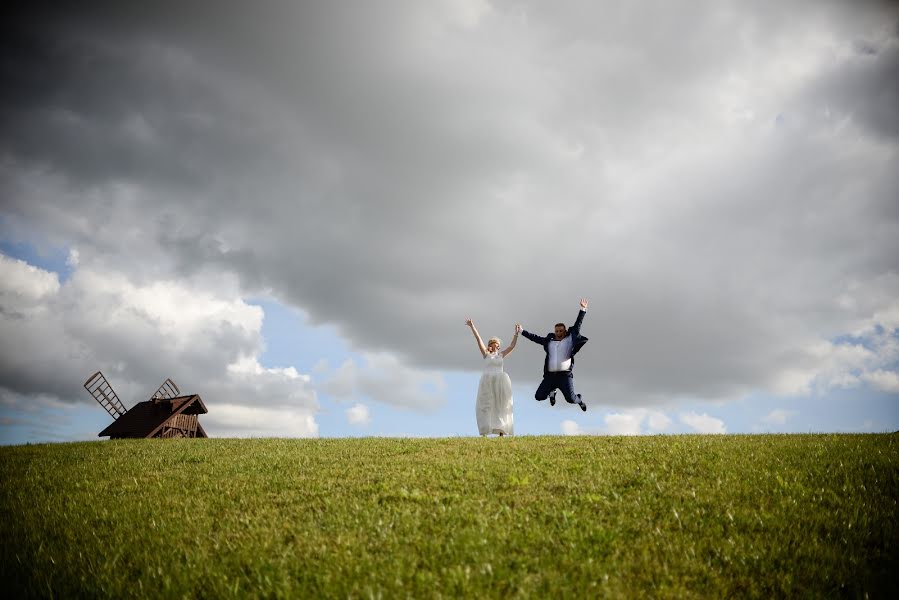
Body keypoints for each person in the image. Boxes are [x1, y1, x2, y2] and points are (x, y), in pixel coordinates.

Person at [521, 298, 589, 411]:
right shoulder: (549, 342)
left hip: (564, 376)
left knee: (571, 399)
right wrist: (522, 331)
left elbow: (578, 325)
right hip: (550, 376)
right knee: (539, 396)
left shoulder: (569, 340)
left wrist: (583, 309)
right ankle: (551, 393)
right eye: (557, 331)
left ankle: (580, 400)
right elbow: (535, 338)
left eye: (561, 331)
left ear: (565, 331)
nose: (558, 333)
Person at [465, 318, 520, 436]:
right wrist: (472, 326)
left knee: (501, 405)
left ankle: (501, 431)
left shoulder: (501, 355)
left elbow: (512, 346)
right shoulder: (486, 354)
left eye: (499, 345)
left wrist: (516, 334)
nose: (498, 346)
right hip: (488, 381)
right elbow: (478, 339)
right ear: (491, 344)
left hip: (500, 382)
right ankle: (485, 430)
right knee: (486, 405)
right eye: (496, 344)